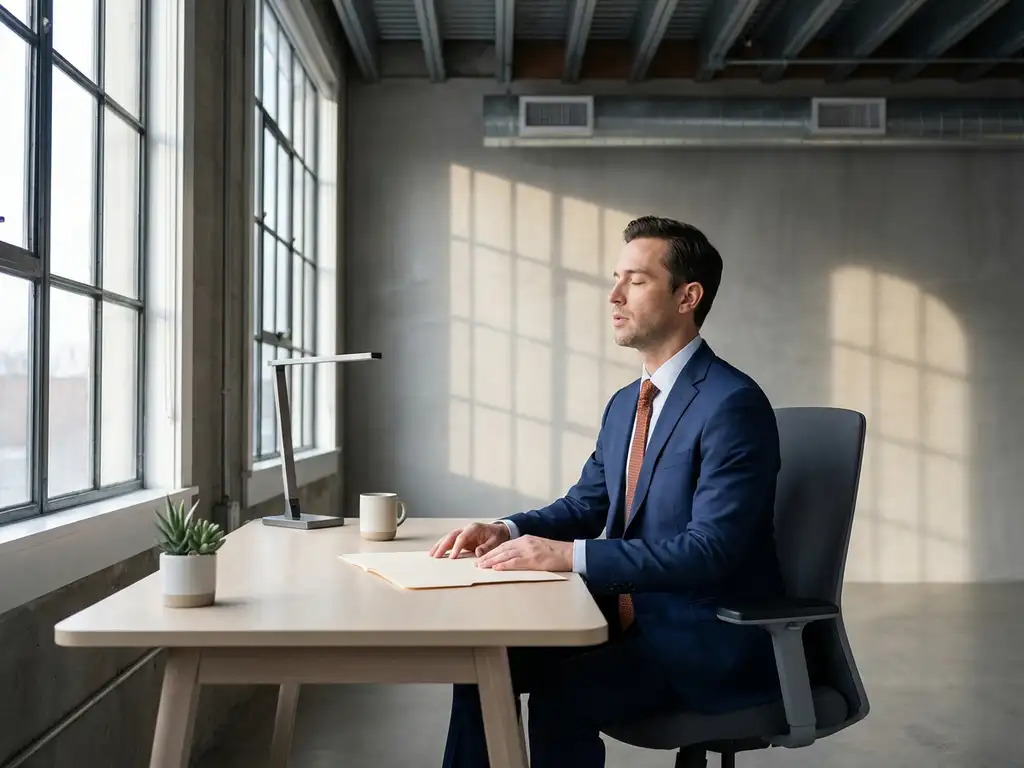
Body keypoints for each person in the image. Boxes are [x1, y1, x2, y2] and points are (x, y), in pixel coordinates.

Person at [429, 216, 786, 768]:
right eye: (615, 278)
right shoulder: (626, 403)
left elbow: (710, 550)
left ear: (688, 295)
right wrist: (508, 528)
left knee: (562, 696)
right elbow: (585, 505)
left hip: (697, 641)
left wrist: (569, 556)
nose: (614, 296)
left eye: (636, 281)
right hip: (618, 620)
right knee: (483, 663)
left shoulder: (732, 404)